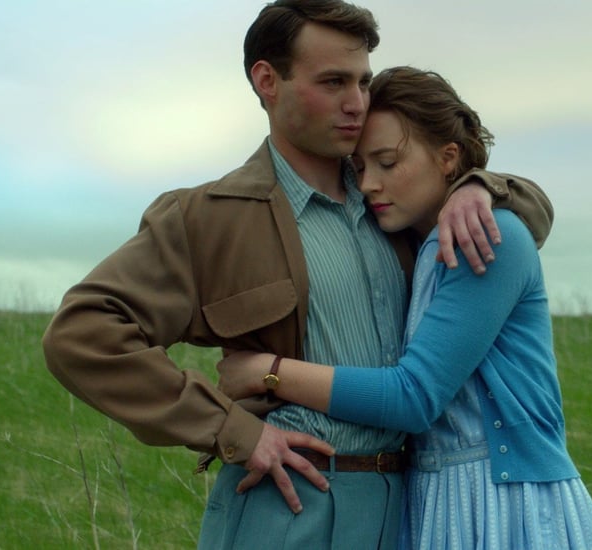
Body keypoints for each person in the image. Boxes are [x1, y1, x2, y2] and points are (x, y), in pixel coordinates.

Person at [40, 1, 553, 549]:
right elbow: (83, 334)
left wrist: (481, 185)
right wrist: (234, 431)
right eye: (333, 82)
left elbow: (518, 218)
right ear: (267, 81)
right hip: (286, 506)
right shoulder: (209, 217)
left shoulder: (394, 200)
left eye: (362, 81)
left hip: (409, 513)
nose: (356, 103)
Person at [217, 66, 592, 550]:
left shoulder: (490, 235)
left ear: (448, 158)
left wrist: (267, 371)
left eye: (388, 162)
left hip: (506, 500)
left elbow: (414, 397)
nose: (368, 185)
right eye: (360, 168)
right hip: (431, 501)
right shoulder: (408, 243)